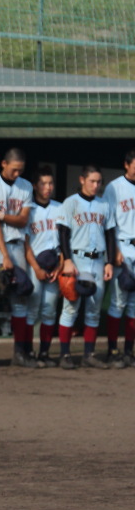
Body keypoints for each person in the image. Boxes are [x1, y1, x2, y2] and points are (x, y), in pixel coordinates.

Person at [56, 165, 116, 369]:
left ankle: (89, 353)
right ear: (82, 180)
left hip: (98, 261)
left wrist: (109, 262)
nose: (96, 185)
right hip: (77, 258)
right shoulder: (70, 203)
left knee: (94, 309)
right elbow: (62, 232)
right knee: (71, 308)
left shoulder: (104, 205)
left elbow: (109, 234)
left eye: (99, 182)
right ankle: (65, 354)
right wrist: (67, 260)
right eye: (92, 181)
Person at [0, 149, 34, 368]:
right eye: (14, 169)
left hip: (18, 244)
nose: (17, 173)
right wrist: (4, 256)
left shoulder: (26, 186)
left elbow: (22, 221)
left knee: (20, 299)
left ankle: (19, 353)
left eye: (20, 169)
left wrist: (1, 214)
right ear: (3, 164)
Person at [24, 167, 62, 367]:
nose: (48, 188)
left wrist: (60, 266)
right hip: (35, 265)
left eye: (50, 183)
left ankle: (45, 353)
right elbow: (25, 242)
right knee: (32, 310)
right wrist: (36, 268)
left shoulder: (60, 207)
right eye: (43, 184)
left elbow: (66, 240)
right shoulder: (28, 209)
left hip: (54, 265)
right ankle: (28, 352)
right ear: (34, 186)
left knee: (49, 311)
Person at [102, 150, 135, 367]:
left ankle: (128, 352)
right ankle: (112, 350)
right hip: (123, 247)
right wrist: (113, 251)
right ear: (126, 164)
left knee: (134, 305)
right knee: (118, 301)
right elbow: (108, 222)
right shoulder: (114, 187)